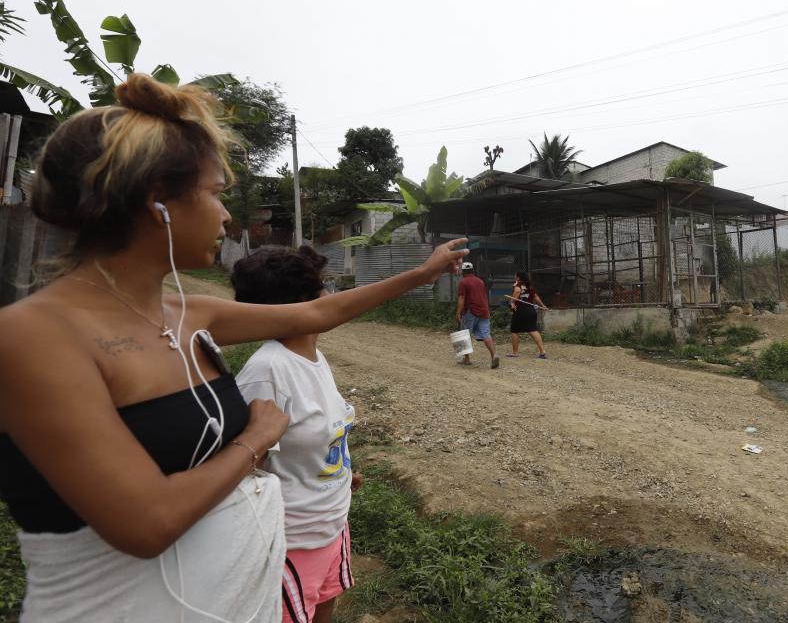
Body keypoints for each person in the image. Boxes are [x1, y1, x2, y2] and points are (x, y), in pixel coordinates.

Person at [0, 73, 467, 622]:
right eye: (216, 193)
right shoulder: (31, 337)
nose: (226, 215)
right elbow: (145, 524)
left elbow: (319, 312)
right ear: (159, 202)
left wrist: (423, 273)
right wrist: (257, 438)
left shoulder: (189, 314)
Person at [231, 245, 362, 623]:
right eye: (324, 287)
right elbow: (241, 466)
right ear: (303, 303)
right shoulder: (267, 371)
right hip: (291, 543)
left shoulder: (312, 358)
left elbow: (310, 438)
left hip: (332, 526)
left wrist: (336, 471)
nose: (331, 296)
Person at [455, 261, 498, 369]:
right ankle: (494, 355)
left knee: (464, 334)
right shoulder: (480, 281)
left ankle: (466, 359)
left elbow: (462, 298)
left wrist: (458, 312)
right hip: (484, 311)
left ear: (463, 271)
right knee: (486, 334)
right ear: (473, 270)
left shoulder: (463, 282)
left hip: (470, 311)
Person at [507, 271, 548, 358]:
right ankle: (542, 351)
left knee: (515, 330)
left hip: (521, 311)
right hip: (531, 311)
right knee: (533, 330)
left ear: (518, 277)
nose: (515, 277)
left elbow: (517, 291)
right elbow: (536, 296)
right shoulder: (529, 285)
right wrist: (543, 305)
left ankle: (515, 353)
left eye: (515, 275)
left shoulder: (518, 284)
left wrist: (512, 302)